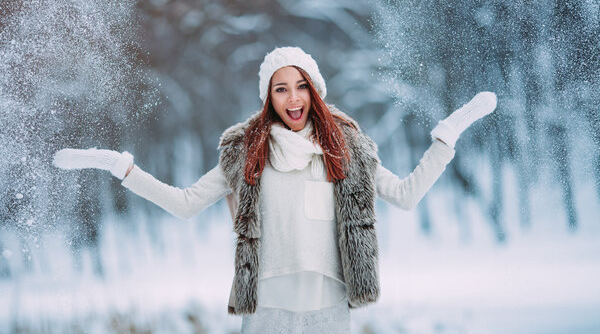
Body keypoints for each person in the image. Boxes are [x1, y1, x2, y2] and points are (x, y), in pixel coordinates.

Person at [53, 46, 497, 333]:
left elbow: (405, 194)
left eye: (301, 85)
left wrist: (445, 139)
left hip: (330, 309)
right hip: (268, 311)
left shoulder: (349, 150)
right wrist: (122, 168)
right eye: (281, 89)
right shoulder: (246, 152)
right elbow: (186, 204)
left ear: (316, 91)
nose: (293, 97)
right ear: (269, 98)